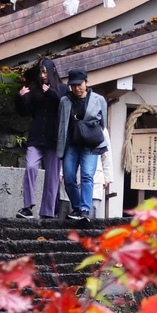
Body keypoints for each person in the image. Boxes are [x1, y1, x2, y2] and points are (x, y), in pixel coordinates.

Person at [57, 69, 109, 222]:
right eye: (73, 85)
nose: (76, 88)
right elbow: (61, 125)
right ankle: (79, 207)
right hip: (71, 144)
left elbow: (103, 123)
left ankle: (85, 209)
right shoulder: (65, 101)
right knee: (68, 177)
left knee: (87, 175)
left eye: (79, 85)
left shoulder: (99, 100)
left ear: (87, 82)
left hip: (90, 143)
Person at [15, 58, 63, 219]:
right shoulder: (35, 90)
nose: (43, 75)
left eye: (45, 71)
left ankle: (48, 212)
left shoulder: (62, 88)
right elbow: (24, 112)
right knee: (30, 167)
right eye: (40, 72)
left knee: (52, 175)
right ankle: (27, 206)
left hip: (54, 139)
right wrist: (20, 98)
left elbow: (63, 106)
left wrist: (51, 93)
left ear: (52, 71)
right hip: (36, 137)